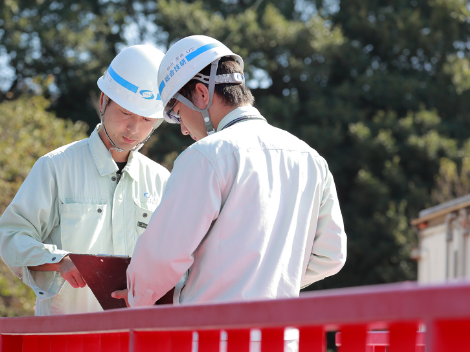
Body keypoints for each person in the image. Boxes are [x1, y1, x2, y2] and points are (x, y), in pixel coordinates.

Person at [113, 35, 347, 307]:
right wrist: (268, 280)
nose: (184, 129)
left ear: (201, 93)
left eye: (177, 113)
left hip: (213, 336)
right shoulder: (312, 160)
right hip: (281, 337)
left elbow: (162, 257)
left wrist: (136, 298)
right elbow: (331, 256)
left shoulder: (205, 157)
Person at [0, 45, 170, 316]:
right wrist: (59, 260)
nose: (134, 128)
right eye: (126, 113)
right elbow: (11, 236)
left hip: (137, 336)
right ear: (104, 101)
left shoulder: (162, 182)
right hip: (67, 337)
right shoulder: (56, 167)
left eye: (146, 119)